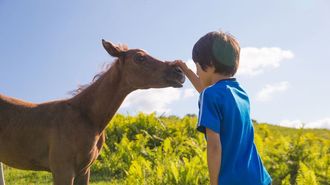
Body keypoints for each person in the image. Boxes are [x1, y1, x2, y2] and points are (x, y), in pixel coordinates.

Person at [171, 31, 272, 185]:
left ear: (209, 63)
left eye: (196, 66)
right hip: (257, 176)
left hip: (233, 180)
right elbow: (207, 91)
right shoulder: (240, 93)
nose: (197, 71)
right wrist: (186, 70)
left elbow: (214, 146)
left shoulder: (210, 95)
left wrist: (214, 183)